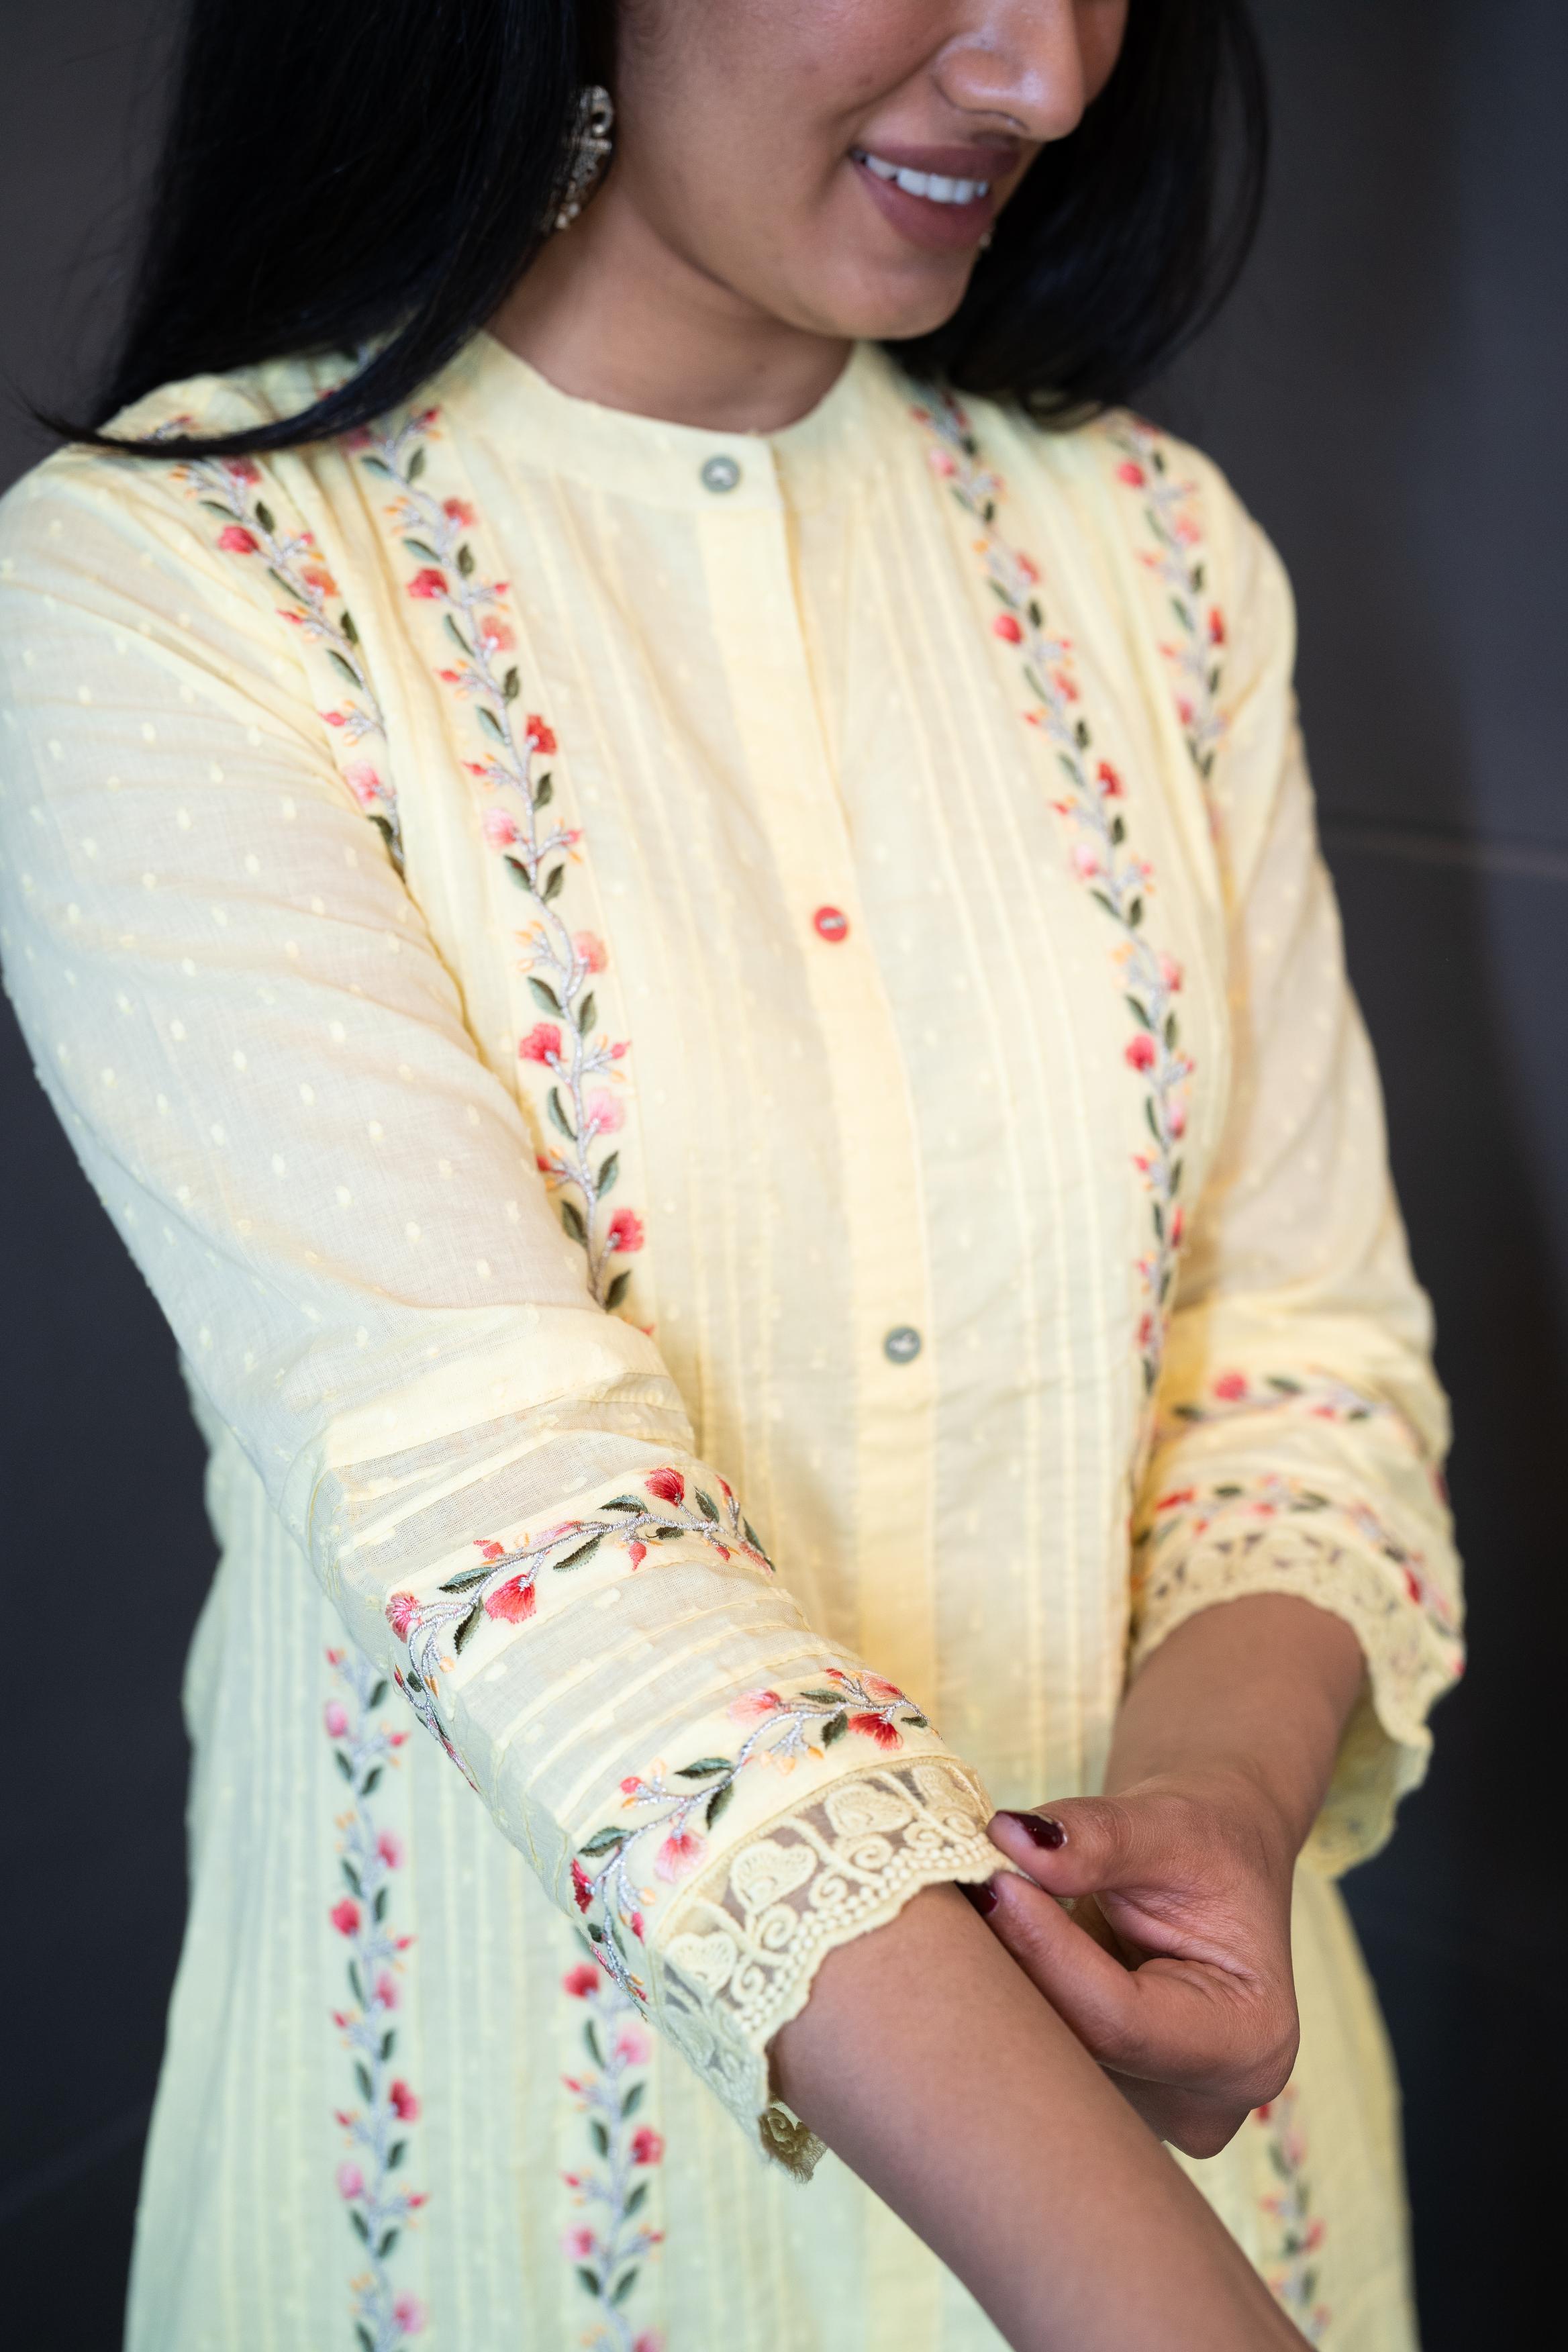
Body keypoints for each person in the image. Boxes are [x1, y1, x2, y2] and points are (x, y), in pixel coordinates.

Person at [0, 2, 1462, 2346]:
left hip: (1241, 2174)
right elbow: (523, 1530)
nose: (1046, 77)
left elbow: (1300, 1352)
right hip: (503, 2235)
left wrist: (1213, 1800)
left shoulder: (1155, 560)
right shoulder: (186, 591)